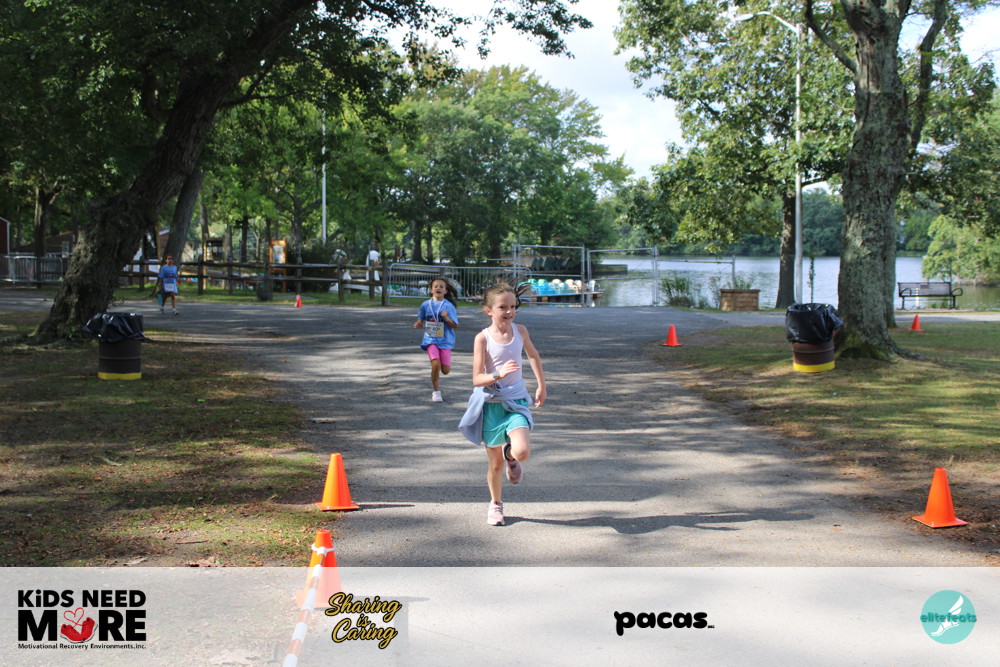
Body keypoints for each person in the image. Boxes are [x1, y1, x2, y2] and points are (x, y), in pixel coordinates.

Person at [458, 281, 546, 526]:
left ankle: (511, 455)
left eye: (513, 306)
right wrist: (498, 374)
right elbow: (477, 378)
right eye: (503, 307)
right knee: (495, 464)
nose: (509, 311)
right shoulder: (482, 339)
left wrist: (541, 386)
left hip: (516, 401)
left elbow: (533, 356)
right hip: (491, 404)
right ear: (489, 310)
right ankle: (496, 504)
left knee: (522, 452)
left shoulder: (521, 331)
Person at [413, 276, 460, 402]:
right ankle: (436, 392)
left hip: (445, 341)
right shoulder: (425, 305)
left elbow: (455, 325)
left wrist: (447, 318)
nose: (438, 288)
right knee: (435, 364)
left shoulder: (449, 306)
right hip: (430, 339)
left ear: (446, 291)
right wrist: (418, 323)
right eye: (436, 286)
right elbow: (421, 319)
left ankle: (444, 369)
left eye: (441, 287)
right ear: (431, 290)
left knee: (445, 370)